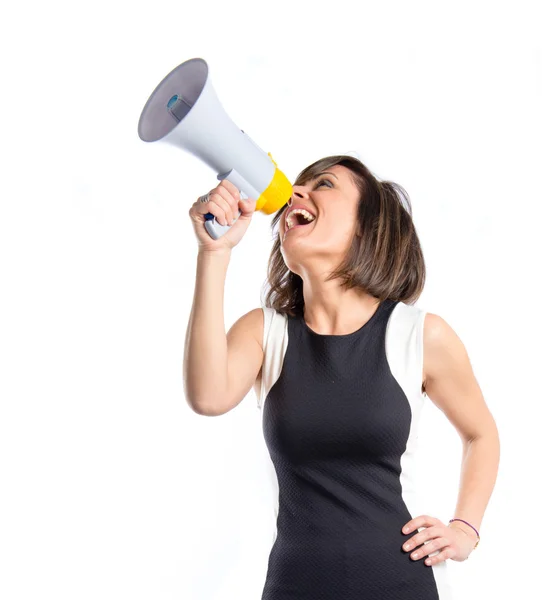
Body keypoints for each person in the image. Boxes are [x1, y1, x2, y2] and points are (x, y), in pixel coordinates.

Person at [184, 155, 500, 599]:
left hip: (403, 585)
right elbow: (207, 396)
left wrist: (465, 529)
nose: (295, 193)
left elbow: (481, 434)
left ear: (366, 227)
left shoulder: (419, 334)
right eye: (296, 185)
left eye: (324, 184)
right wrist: (213, 252)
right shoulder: (264, 331)